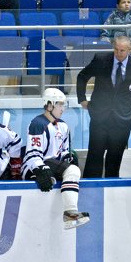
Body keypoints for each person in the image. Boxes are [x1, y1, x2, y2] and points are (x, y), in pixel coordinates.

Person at [76, 35, 131, 178]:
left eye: (122, 50)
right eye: (116, 49)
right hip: (99, 117)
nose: (119, 53)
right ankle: (90, 189)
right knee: (94, 155)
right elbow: (82, 76)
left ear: (129, 50)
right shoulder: (101, 59)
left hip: (123, 120)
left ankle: (111, 189)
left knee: (115, 158)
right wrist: (82, 99)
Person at [22, 89, 91, 228]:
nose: (62, 109)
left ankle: (70, 214)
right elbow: (32, 153)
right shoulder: (38, 123)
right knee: (73, 171)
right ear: (49, 105)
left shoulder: (63, 126)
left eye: (63, 105)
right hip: (37, 166)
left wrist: (68, 158)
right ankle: (70, 214)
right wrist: (40, 168)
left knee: (72, 169)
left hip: (52, 164)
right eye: (59, 104)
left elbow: (64, 151)